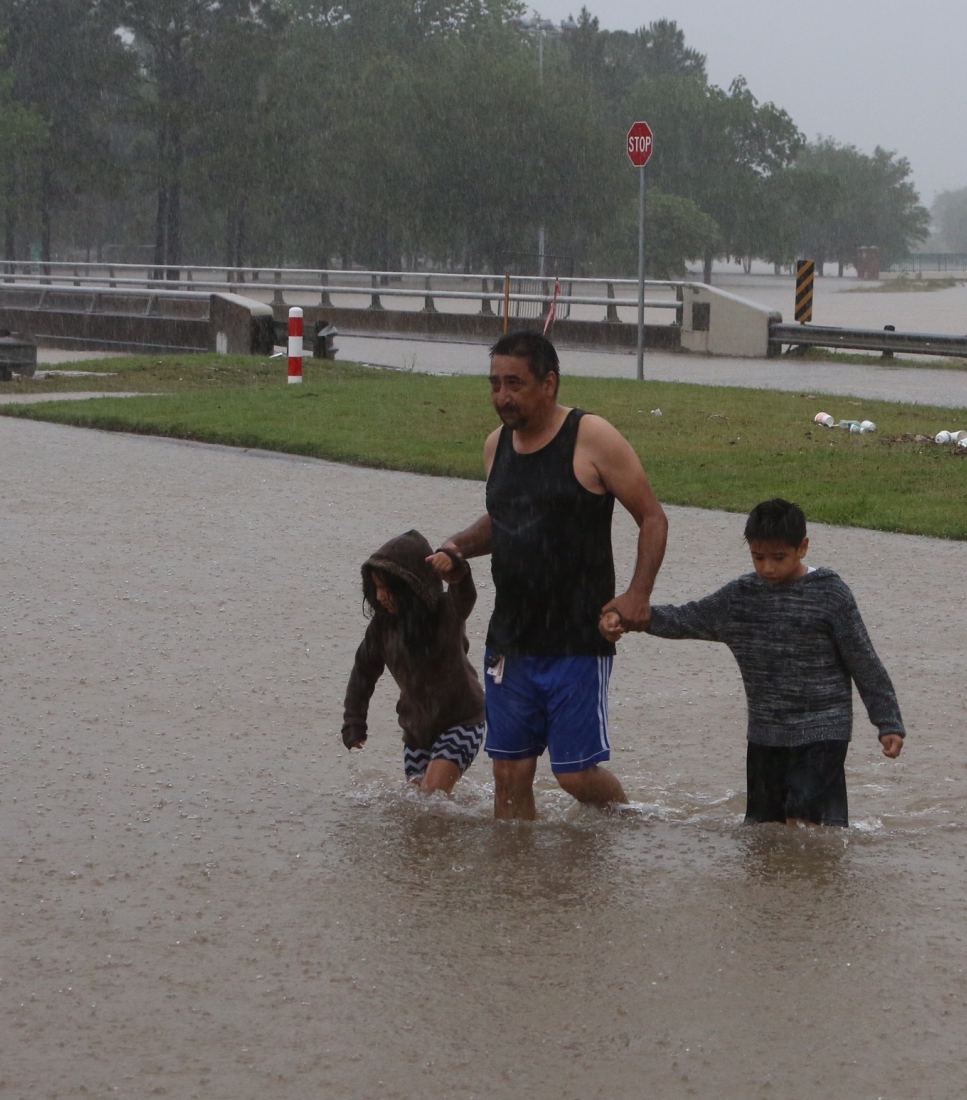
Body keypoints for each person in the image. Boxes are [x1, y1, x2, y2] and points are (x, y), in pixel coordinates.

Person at [428, 330, 669, 821]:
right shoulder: (496, 446)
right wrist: (457, 547)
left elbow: (651, 517)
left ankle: (628, 825)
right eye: (494, 384)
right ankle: (519, 890)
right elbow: (504, 519)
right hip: (511, 641)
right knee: (508, 780)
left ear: (550, 383)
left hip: (577, 639)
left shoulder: (592, 437)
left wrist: (637, 594)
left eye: (514, 383)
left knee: (575, 775)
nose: (502, 396)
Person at [605, 498, 904, 829]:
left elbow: (863, 660)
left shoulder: (831, 594)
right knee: (764, 829)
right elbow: (687, 617)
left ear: (802, 547)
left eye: (779, 557)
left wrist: (887, 721)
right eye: (758, 557)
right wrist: (631, 617)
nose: (768, 568)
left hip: (824, 730)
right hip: (766, 734)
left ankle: (815, 879)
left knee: (803, 821)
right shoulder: (740, 597)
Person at [340, 530, 485, 795]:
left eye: (389, 588)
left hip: (462, 720)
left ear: (412, 586)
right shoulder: (381, 628)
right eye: (377, 588)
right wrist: (354, 722)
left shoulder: (446, 612)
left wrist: (458, 569)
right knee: (419, 808)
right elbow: (363, 673)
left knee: (431, 794)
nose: (381, 596)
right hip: (416, 732)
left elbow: (465, 595)